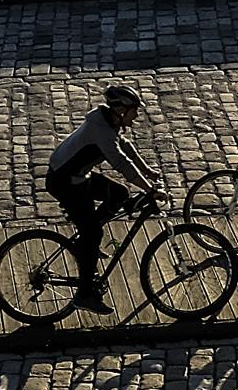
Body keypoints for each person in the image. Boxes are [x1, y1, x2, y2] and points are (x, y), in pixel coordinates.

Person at [46, 85, 164, 314]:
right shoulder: (100, 130)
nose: (137, 116)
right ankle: (84, 295)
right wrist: (150, 189)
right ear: (120, 110)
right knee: (93, 235)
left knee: (120, 194)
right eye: (134, 111)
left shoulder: (108, 122)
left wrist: (147, 170)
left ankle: (86, 240)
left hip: (79, 177)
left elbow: (125, 147)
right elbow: (121, 164)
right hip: (64, 182)